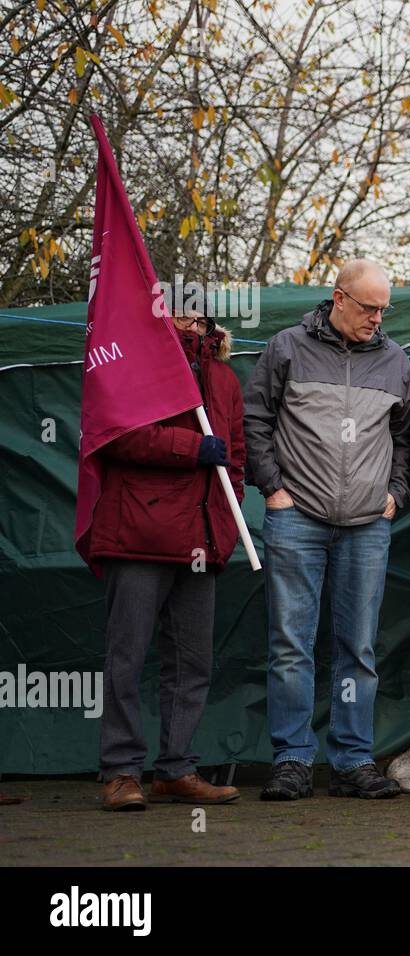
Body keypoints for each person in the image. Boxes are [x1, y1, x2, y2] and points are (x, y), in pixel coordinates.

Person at [243, 258, 410, 800]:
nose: (377, 320)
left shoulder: (395, 360)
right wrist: (273, 489)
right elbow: (254, 421)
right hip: (296, 518)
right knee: (291, 644)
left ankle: (352, 761)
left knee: (358, 646)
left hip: (368, 524)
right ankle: (292, 759)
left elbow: (406, 438)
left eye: (384, 309)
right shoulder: (286, 348)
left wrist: (395, 496)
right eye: (368, 308)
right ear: (338, 298)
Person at [91, 309, 245, 811]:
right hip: (137, 533)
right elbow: (114, 433)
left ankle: (177, 768)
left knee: (192, 663)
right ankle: (121, 771)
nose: (191, 320)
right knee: (126, 659)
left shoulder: (223, 376)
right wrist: (192, 446)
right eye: (179, 309)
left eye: (198, 313)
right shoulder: (132, 362)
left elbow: (235, 456)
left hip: (200, 540)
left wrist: (225, 512)